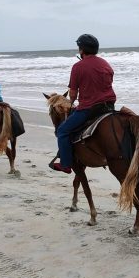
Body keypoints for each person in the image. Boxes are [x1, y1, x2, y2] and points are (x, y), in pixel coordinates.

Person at [51, 34, 117, 174]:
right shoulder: (106, 64)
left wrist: (71, 102)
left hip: (89, 109)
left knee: (63, 131)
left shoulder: (78, 66)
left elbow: (73, 94)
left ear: (81, 50)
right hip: (109, 107)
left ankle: (66, 164)